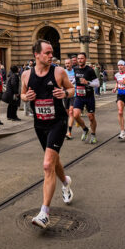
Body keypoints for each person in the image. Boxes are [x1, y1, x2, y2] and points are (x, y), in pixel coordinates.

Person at [20, 39, 75, 229]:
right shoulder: (26, 74)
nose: (51, 56)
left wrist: (65, 94)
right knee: (53, 161)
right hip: (40, 124)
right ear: (36, 55)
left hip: (58, 123)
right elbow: (22, 94)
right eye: (47, 53)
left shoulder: (59, 72)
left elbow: (71, 89)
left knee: (46, 164)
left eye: (52, 53)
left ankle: (44, 213)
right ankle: (65, 181)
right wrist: (25, 97)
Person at [73, 52, 98, 144]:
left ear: (85, 59)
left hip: (89, 97)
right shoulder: (75, 69)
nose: (80, 60)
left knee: (91, 117)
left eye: (82, 58)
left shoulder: (90, 70)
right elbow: (74, 79)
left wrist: (87, 82)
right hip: (79, 96)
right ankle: (85, 129)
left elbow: (97, 84)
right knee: (75, 115)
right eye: (78, 58)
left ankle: (93, 134)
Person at [63, 58, 85, 139]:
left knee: (71, 112)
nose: (67, 65)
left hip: (74, 94)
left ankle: (69, 132)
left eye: (68, 63)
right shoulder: (63, 72)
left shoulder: (75, 71)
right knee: (67, 113)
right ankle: (78, 119)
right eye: (66, 63)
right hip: (66, 94)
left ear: (72, 64)